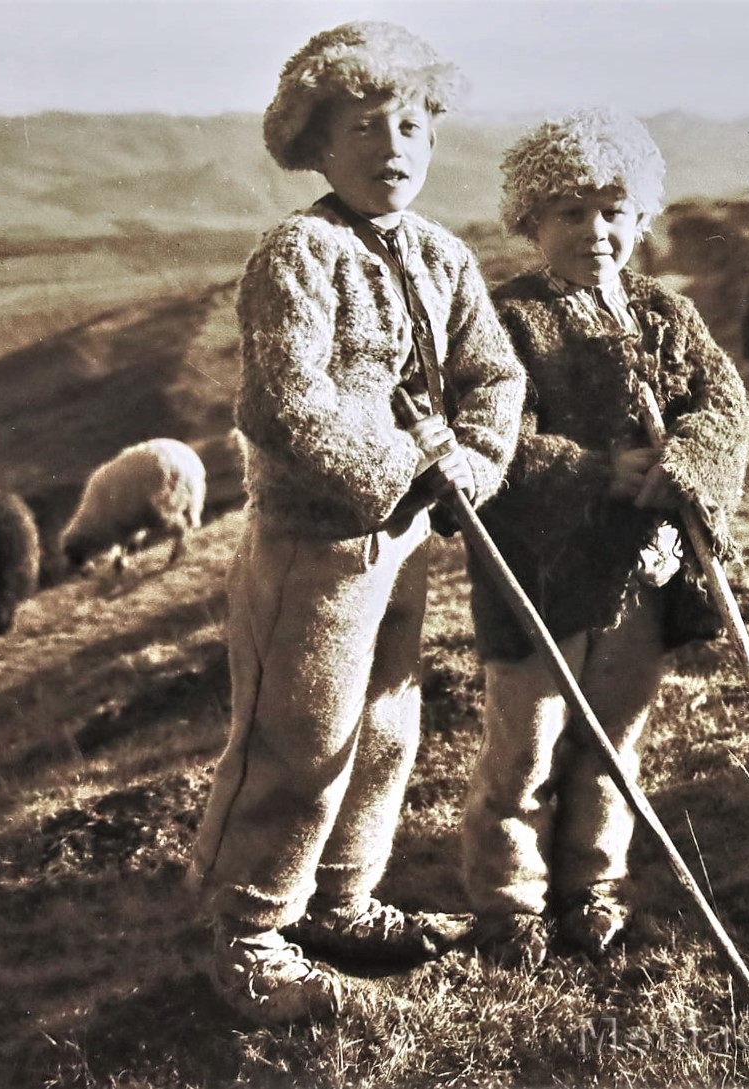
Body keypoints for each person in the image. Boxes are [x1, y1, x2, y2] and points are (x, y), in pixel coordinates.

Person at [189, 21, 525, 1025]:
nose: (392, 148)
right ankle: (248, 932)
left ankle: (339, 900)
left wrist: (472, 463)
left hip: (404, 537)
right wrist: (404, 473)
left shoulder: (440, 253)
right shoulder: (298, 253)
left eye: (410, 126)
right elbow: (288, 404)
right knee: (297, 735)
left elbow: (492, 374)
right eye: (363, 128)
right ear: (316, 146)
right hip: (314, 545)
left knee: (383, 727)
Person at [462, 106, 749, 967]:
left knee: (615, 738)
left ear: (641, 216)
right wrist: (594, 473)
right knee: (526, 746)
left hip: (643, 573)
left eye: (613, 211)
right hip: (541, 579)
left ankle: (593, 883)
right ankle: (511, 899)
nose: (596, 230)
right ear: (531, 221)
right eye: (571, 212)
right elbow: (493, 438)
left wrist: (688, 461)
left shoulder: (665, 313)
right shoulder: (509, 320)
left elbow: (724, 406)